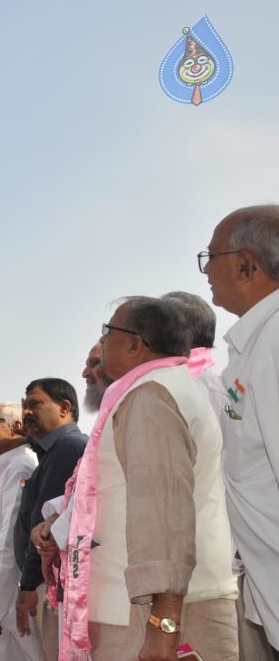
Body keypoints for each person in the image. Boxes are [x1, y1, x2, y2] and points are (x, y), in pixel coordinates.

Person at [54, 297, 238, 660]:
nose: (102, 342)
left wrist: (163, 625)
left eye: (108, 332)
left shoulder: (153, 395)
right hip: (147, 608)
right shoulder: (155, 389)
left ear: (136, 344)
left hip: (158, 615)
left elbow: (162, 512)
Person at [202, 205, 279, 659]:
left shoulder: (274, 341)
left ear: (246, 265)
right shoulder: (251, 344)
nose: (206, 270)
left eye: (211, 257)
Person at [13, 378, 87, 659]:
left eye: (35, 404)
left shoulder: (67, 448)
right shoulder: (57, 451)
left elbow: (44, 528)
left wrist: (29, 584)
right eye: (24, 408)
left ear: (64, 407)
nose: (26, 413)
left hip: (53, 581)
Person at [0, 404, 43, 661]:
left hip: (6, 601)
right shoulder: (6, 467)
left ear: (16, 426)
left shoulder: (20, 466)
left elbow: (10, 542)